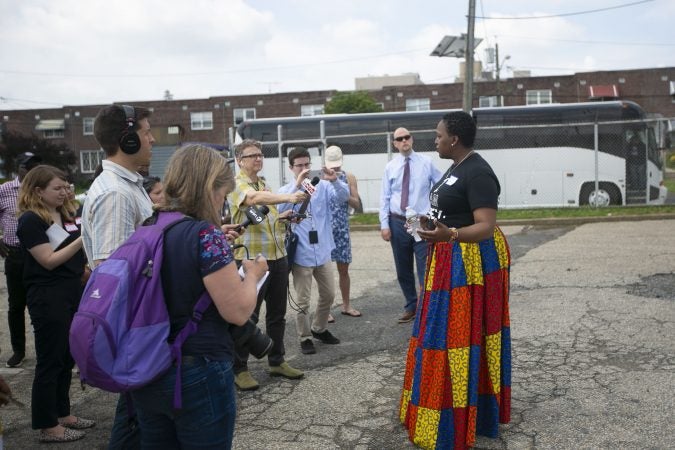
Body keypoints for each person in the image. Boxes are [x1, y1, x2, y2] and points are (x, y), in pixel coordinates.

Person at [129, 144, 267, 448]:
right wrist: (254, 274)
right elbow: (238, 312)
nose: (222, 202)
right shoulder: (205, 234)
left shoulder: (149, 226)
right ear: (208, 189)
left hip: (148, 364)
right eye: (221, 194)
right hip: (197, 367)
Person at [399, 111, 511, 449]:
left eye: (438, 135)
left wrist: (451, 234)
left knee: (459, 338)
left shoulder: (478, 172)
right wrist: (430, 222)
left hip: (469, 262)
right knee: (441, 334)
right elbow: (447, 207)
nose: (435, 140)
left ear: (454, 139)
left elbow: (485, 226)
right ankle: (440, 405)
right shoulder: (455, 167)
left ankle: (460, 415)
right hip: (447, 255)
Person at [81, 104, 154, 449]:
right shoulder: (115, 193)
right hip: (137, 326)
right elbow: (114, 274)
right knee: (134, 419)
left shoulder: (128, 186)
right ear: (127, 140)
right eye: (146, 131)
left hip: (141, 324)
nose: (152, 139)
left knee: (137, 417)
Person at [16, 165, 95, 443]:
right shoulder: (30, 221)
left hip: (71, 291)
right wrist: (84, 238)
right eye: (57, 188)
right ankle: (47, 424)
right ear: (38, 191)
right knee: (50, 359)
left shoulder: (64, 214)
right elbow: (48, 260)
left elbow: (72, 258)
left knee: (66, 356)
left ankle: (63, 414)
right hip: (48, 296)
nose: (64, 192)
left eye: (66, 187)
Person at [227, 139, 307, 390]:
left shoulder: (264, 184)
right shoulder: (236, 184)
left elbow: (263, 213)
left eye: (261, 155)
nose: (258, 159)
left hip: (277, 255)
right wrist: (289, 196)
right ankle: (239, 368)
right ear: (240, 160)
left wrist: (282, 216)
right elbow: (252, 200)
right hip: (252, 259)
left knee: (277, 314)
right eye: (252, 156)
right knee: (247, 314)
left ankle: (276, 360)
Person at [278, 147, 348, 355]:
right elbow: (280, 213)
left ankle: (319, 328)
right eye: (299, 165)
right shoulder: (285, 192)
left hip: (323, 249)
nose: (304, 168)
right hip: (302, 252)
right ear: (291, 168)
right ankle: (305, 336)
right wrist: (297, 186)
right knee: (303, 300)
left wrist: (334, 179)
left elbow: (344, 196)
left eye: (307, 164)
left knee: (328, 294)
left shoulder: (323, 186)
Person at [379, 128, 442, 324]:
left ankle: (427, 309)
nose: (404, 141)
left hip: (419, 221)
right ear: (394, 144)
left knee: (425, 267)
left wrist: (433, 215)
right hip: (398, 221)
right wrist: (384, 224)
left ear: (412, 139)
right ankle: (411, 306)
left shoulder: (426, 162)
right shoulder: (390, 167)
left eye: (407, 137)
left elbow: (440, 188)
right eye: (400, 139)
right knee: (403, 268)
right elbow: (385, 197)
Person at [0, 152, 42, 368]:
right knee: (16, 305)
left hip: (40, 254)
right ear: (19, 168)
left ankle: (43, 348)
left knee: (39, 303)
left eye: (36, 166)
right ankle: (18, 350)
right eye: (28, 166)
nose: (32, 170)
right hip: (15, 254)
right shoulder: (5, 190)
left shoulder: (42, 189)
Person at [324, 145, 362, 318]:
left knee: (343, 269)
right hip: (324, 228)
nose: (335, 168)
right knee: (324, 271)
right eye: (332, 165)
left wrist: (342, 189)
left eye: (337, 165)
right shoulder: (319, 177)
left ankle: (346, 305)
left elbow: (356, 204)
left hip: (341, 227)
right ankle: (325, 309)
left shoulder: (349, 177)